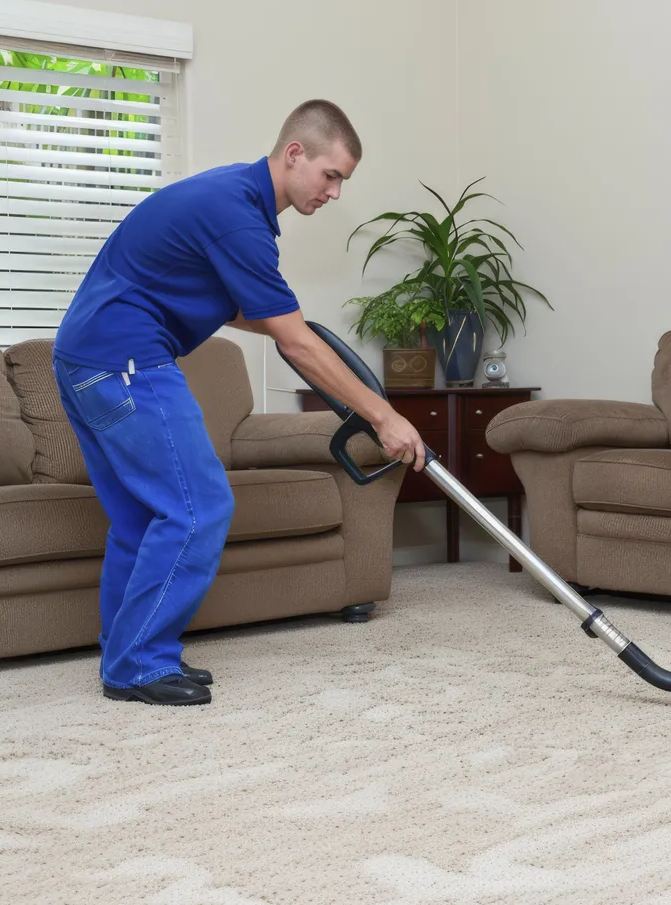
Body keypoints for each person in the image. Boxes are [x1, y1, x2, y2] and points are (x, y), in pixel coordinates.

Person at [52, 99, 427, 707]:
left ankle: (130, 658)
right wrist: (382, 415)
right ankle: (140, 664)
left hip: (85, 356)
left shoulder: (231, 201)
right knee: (199, 506)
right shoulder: (238, 218)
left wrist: (289, 326)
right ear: (294, 153)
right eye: (331, 175)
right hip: (124, 359)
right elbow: (297, 348)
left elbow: (233, 309)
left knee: (144, 518)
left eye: (344, 182)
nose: (334, 192)